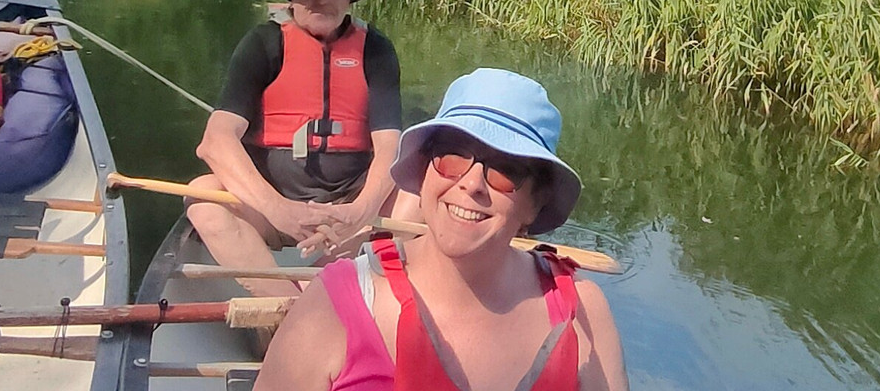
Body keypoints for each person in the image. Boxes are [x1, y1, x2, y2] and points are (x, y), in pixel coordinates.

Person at [254, 67, 629, 391]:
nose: (471, 183)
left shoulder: (583, 311)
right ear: (424, 169)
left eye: (505, 170)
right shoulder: (338, 301)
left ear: (535, 201)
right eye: (452, 155)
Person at [187, 0, 402, 297]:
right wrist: (280, 211)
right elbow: (215, 141)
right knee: (203, 197)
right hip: (274, 204)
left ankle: (319, 288)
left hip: (348, 215)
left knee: (417, 193)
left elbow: (390, 146)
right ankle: (283, 302)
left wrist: (361, 211)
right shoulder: (263, 43)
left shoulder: (376, 50)